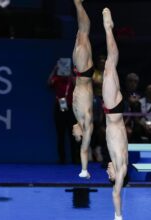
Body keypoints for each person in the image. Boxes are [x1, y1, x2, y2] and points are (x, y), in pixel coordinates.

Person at [101, 8, 128, 220]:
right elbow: (116, 193)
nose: (107, 171)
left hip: (115, 111)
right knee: (109, 66)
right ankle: (108, 29)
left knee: (112, 66)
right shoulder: (121, 169)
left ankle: (109, 29)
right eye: (108, 175)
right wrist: (118, 216)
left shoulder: (118, 162)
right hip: (112, 111)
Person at [71, 0, 94, 179]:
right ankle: (78, 4)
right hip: (83, 72)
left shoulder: (76, 116)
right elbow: (84, 149)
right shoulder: (85, 122)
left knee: (81, 33)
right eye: (76, 135)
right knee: (84, 32)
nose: (73, 133)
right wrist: (84, 170)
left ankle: (78, 4)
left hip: (80, 72)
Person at [48, 61, 79, 164]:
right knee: (60, 135)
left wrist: (70, 73)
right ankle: (62, 159)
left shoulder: (71, 79)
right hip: (59, 107)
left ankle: (75, 159)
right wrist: (55, 69)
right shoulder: (57, 79)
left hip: (70, 108)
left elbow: (77, 85)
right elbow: (49, 83)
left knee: (73, 135)